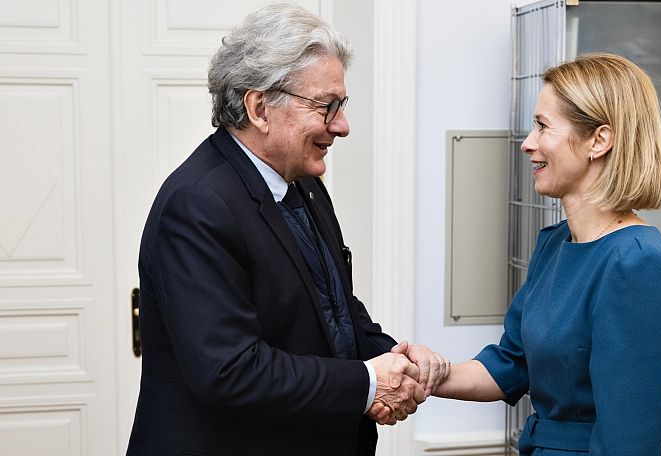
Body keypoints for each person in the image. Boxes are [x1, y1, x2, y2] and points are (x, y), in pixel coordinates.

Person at [126, 3, 448, 455]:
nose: (342, 126)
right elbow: (231, 371)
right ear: (259, 107)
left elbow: (334, 307)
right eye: (326, 106)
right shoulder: (197, 204)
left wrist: (397, 358)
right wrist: (369, 382)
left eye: (342, 104)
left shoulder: (306, 184)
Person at [434, 53, 661, 455]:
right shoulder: (555, 243)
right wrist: (426, 375)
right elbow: (509, 366)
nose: (527, 143)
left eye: (542, 126)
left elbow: (630, 440)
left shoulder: (640, 262)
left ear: (598, 141)